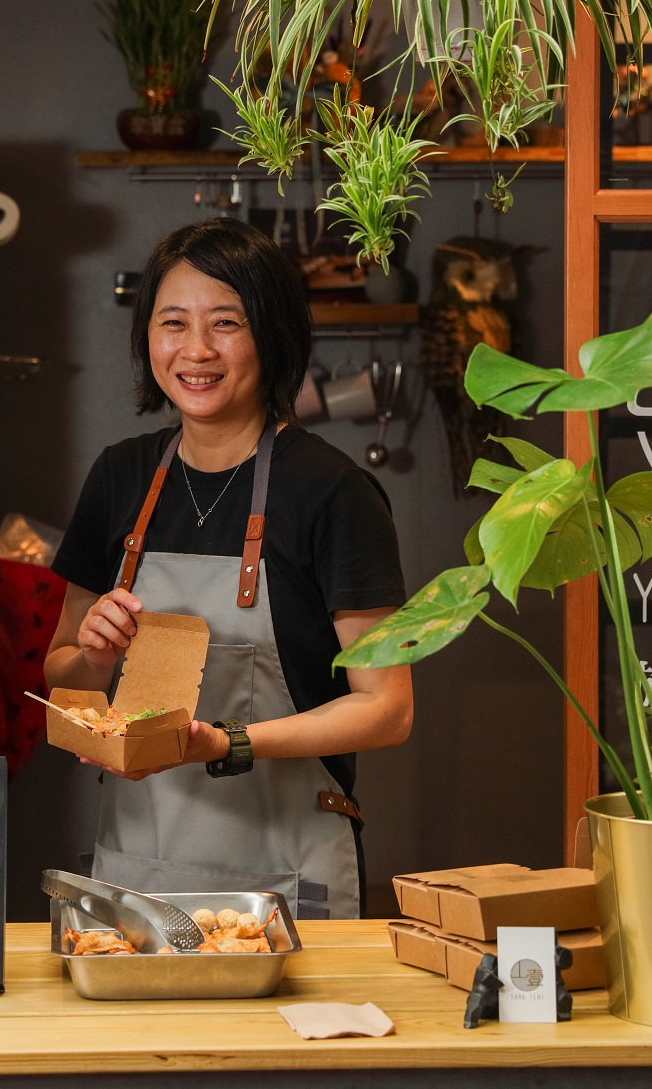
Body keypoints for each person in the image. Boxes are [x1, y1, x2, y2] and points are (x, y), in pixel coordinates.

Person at [43, 219, 412, 919]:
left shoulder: (333, 492)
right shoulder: (120, 476)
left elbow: (389, 708)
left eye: (226, 323)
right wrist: (91, 653)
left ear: (269, 334)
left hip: (283, 886)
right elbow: (64, 684)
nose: (196, 350)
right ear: (146, 336)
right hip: (138, 877)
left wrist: (228, 742)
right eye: (172, 322)